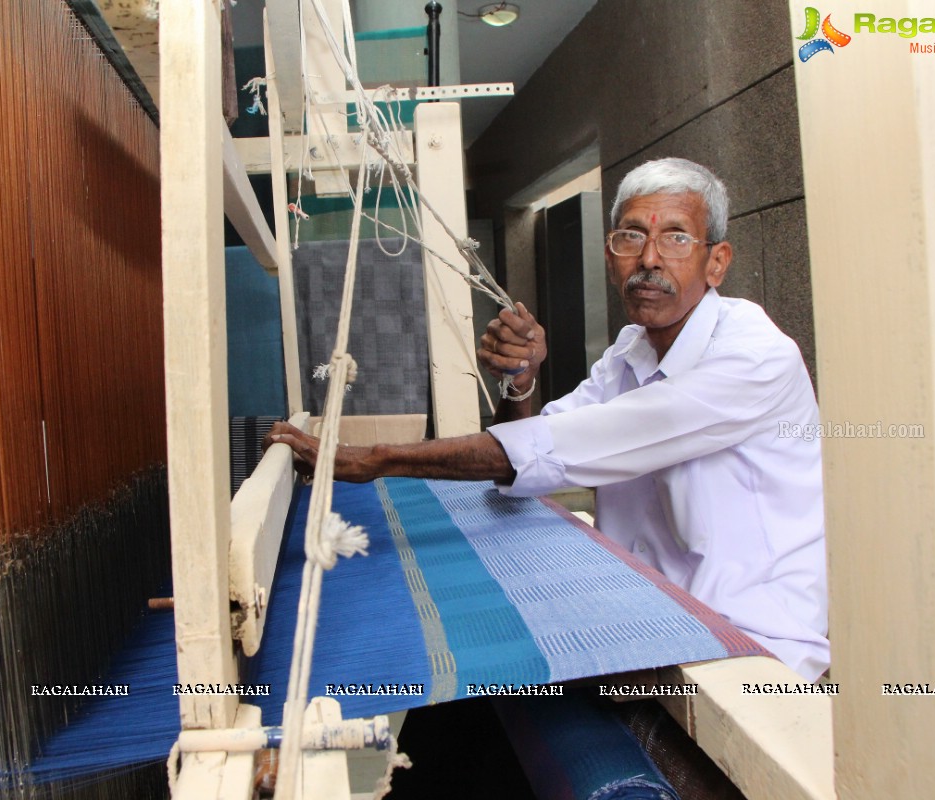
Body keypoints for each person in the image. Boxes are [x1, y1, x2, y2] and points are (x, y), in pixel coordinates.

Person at [268, 157, 829, 681]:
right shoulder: (634, 348)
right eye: (632, 236)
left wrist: (379, 458)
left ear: (717, 262)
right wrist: (521, 379)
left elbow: (561, 447)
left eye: (676, 238)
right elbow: (537, 445)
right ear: (610, 256)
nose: (650, 259)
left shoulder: (753, 358)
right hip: (654, 613)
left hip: (753, 644)